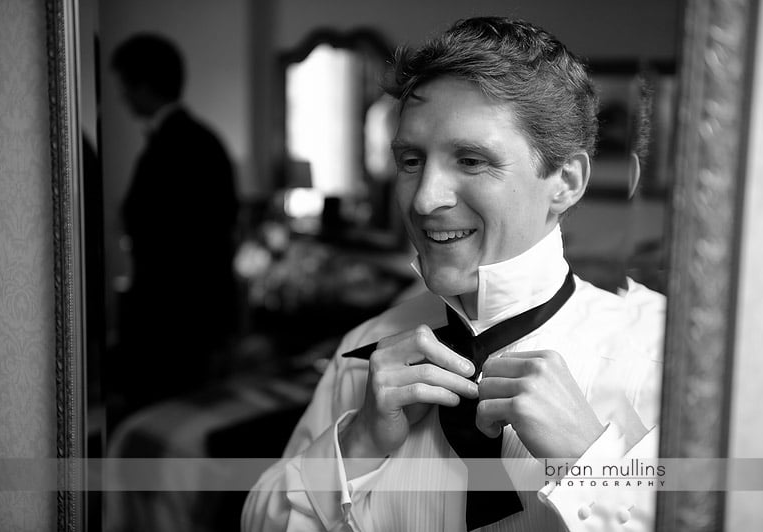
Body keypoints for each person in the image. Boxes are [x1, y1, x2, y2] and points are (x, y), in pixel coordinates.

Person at [242, 17, 664, 532]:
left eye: (470, 160)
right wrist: (358, 445)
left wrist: (593, 465)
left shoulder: (663, 360)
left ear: (566, 182)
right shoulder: (362, 352)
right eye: (411, 160)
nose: (423, 200)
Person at [108, 34, 239, 421]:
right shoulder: (206, 141)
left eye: (125, 87)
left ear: (144, 86)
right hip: (196, 314)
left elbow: (159, 232)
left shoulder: (169, 146)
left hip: (168, 318)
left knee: (160, 416)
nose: (122, 98)